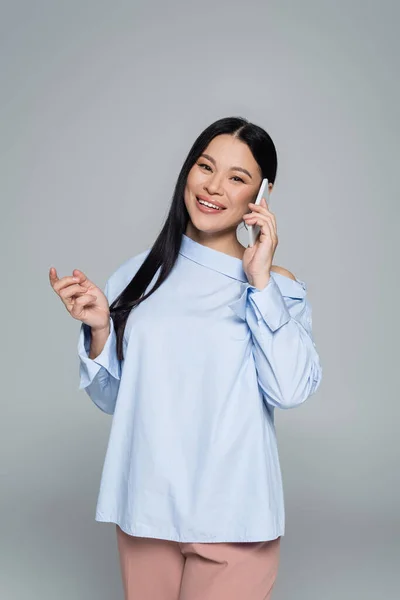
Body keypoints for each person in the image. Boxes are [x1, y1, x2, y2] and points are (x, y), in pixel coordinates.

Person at [49, 116, 322, 600]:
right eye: (205, 167)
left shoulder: (273, 284)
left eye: (237, 178)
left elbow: (291, 388)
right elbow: (115, 400)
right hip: (146, 508)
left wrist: (259, 280)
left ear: (262, 194)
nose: (214, 187)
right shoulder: (137, 275)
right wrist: (98, 329)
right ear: (188, 171)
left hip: (234, 514)